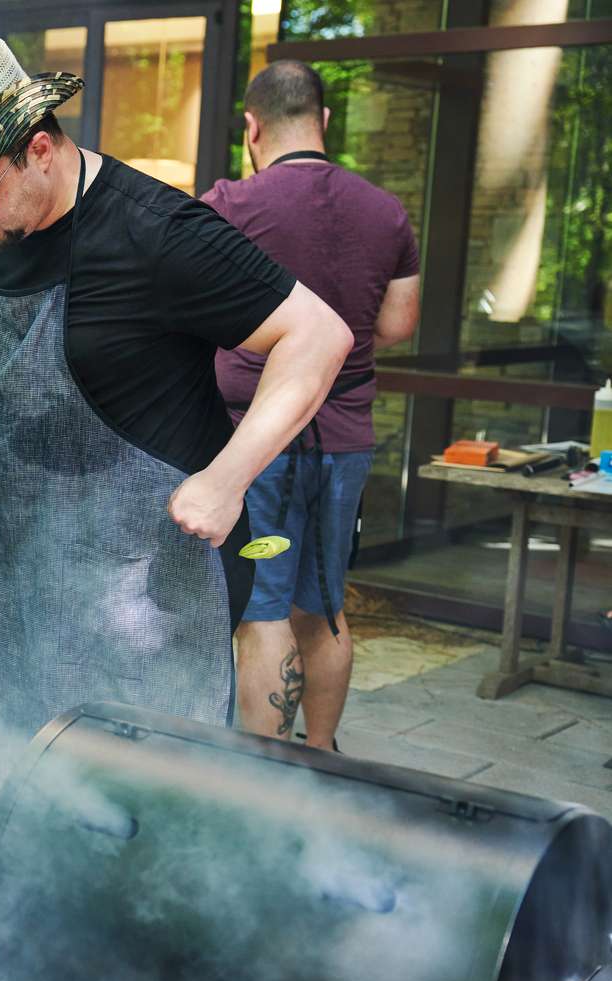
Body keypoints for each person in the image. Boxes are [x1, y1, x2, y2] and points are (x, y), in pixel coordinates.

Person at [0, 38, 353, 740]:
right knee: (1, 794)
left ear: (39, 148)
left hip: (140, 610)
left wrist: (228, 478)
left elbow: (317, 335)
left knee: (136, 818)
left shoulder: (154, 231)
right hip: (2, 588)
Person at [202, 60, 421, 748]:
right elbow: (397, 324)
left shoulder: (229, 206)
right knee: (323, 606)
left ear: (251, 127)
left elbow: (187, 316)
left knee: (261, 610)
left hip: (256, 441)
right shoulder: (386, 212)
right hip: (344, 441)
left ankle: (264, 775)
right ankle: (321, 757)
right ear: (324, 121)